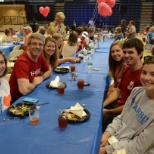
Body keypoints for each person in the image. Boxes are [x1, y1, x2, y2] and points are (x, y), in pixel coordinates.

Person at [100, 55, 154, 154]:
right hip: (117, 140)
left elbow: (138, 147)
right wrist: (107, 134)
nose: (147, 78)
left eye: (153, 74)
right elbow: (121, 117)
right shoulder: (137, 91)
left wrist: (106, 150)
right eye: (144, 72)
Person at [103, 38, 143, 132]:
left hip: (126, 116)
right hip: (118, 106)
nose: (126, 55)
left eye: (130, 52)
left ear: (140, 54)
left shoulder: (142, 78)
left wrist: (108, 111)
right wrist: (103, 105)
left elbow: (131, 107)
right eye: (124, 52)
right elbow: (118, 91)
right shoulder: (127, 69)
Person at [9, 33, 51, 103]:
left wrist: (41, 78)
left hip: (31, 92)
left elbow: (49, 70)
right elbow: (24, 90)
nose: (37, 47)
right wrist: (34, 83)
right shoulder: (22, 62)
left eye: (40, 44)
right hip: (17, 99)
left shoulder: (39, 57)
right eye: (34, 44)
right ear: (28, 46)